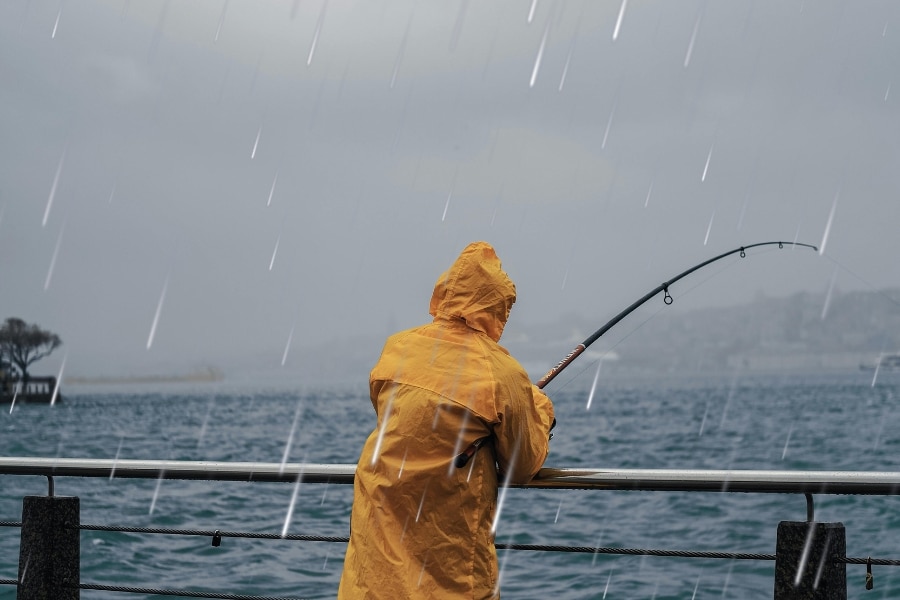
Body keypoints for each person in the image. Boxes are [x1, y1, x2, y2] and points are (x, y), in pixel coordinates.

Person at [337, 241, 556, 599]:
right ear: (498, 306)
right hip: (447, 577)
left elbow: (394, 408)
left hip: (372, 574)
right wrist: (541, 410)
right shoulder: (501, 372)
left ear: (446, 291)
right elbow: (523, 464)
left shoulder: (398, 349)